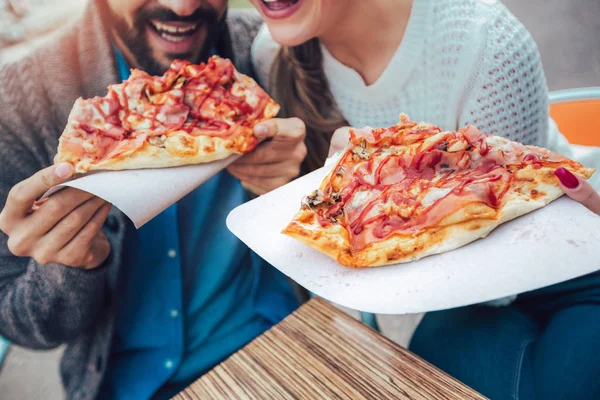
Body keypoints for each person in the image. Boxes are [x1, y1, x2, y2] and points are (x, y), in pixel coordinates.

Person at [248, 0, 600, 398]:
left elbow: (501, 267)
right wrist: (328, 187)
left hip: (573, 259)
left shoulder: (484, 41)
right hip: (449, 295)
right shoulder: (272, 50)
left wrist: (380, 182)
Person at [0, 1, 308, 399]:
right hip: (130, 384)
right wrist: (68, 268)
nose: (184, 6)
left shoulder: (267, 47)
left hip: (280, 341)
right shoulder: (17, 102)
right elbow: (24, 327)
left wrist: (302, 187)